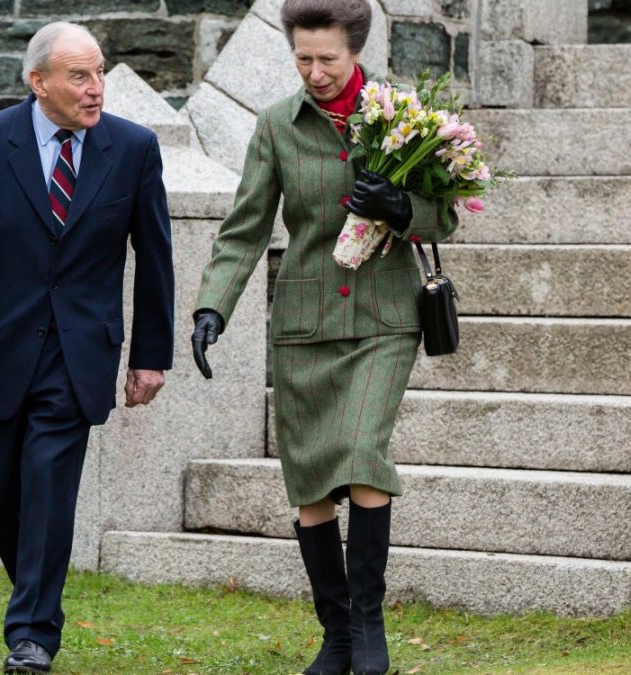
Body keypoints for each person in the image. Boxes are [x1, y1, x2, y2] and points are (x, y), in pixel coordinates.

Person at [190, 1, 457, 674]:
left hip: (383, 320)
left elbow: (445, 216)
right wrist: (212, 308)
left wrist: (402, 208)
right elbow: (246, 227)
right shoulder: (276, 126)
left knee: (363, 455)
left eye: (327, 59)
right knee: (310, 486)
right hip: (305, 325)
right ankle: (335, 634)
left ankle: (368, 628)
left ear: (356, 52)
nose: (314, 72)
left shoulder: (403, 118)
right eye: (302, 59)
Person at [0, 22, 174, 674]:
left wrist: (151, 354)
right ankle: (34, 588)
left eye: (100, 73)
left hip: (79, 353)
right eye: (80, 76)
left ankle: (32, 634)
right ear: (39, 83)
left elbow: (155, 258)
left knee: (50, 485)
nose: (97, 89)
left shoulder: (134, 148)